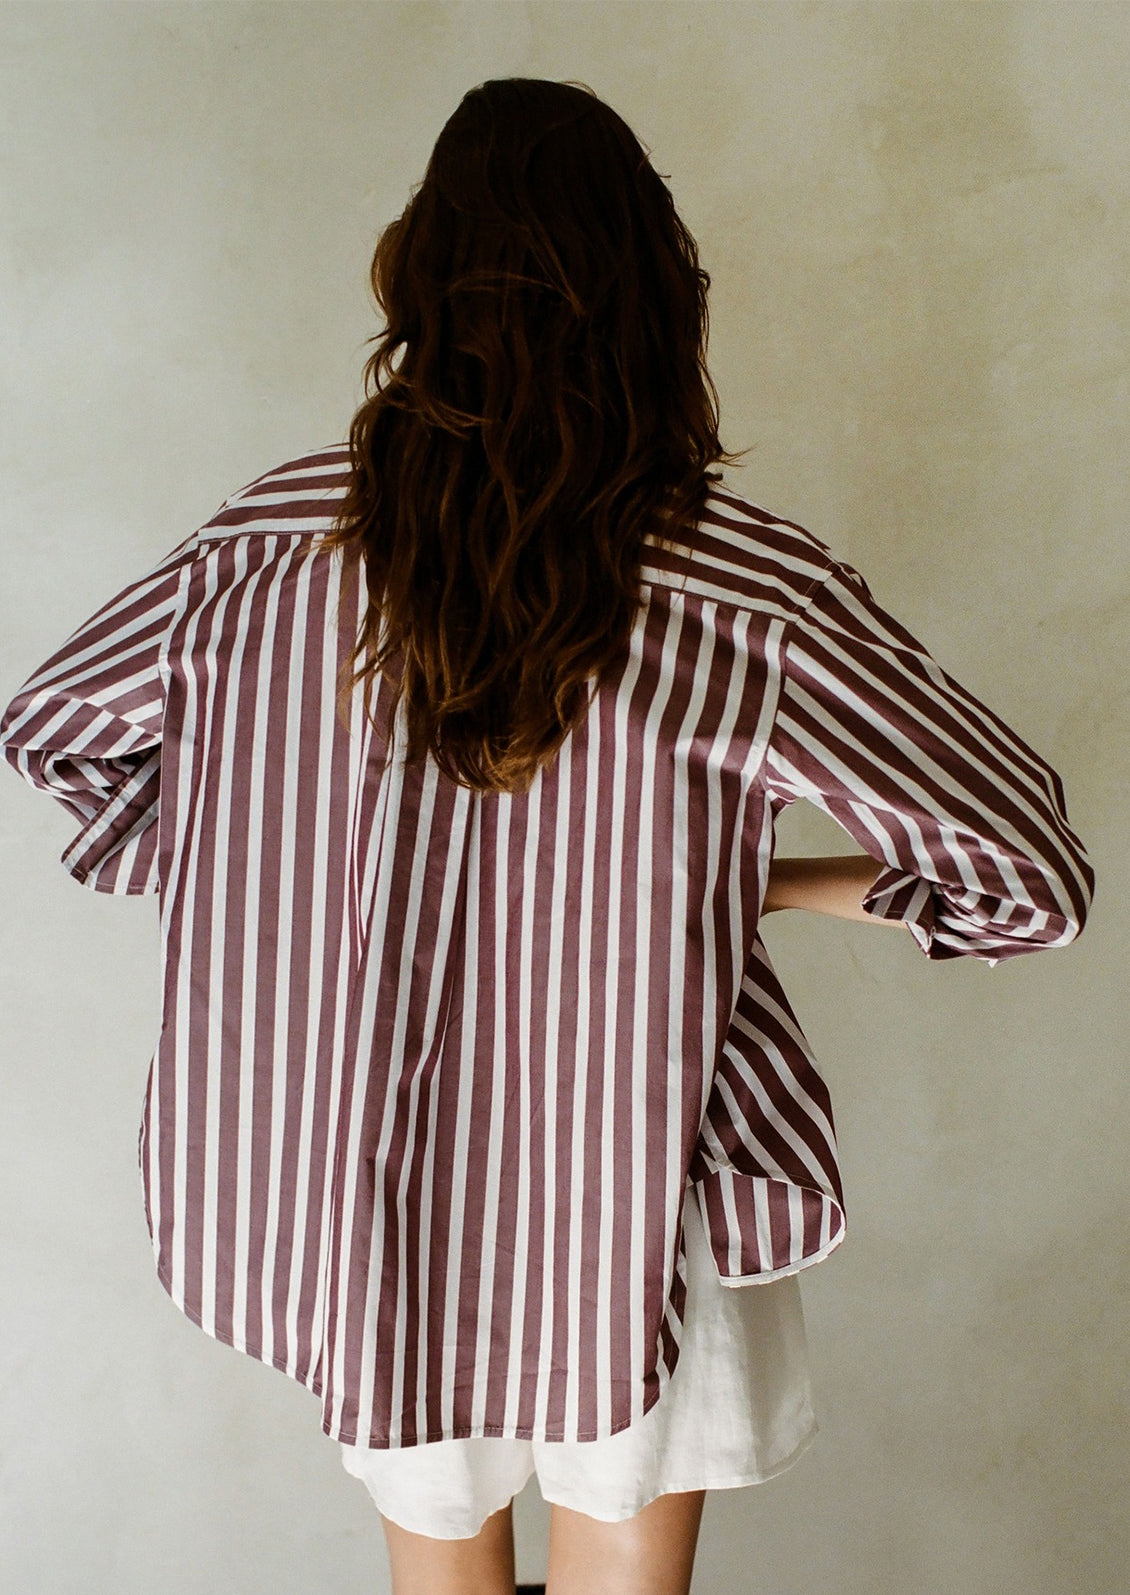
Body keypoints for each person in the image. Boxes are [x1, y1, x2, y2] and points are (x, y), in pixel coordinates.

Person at [0, 77, 1093, 1595]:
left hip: (360, 1197)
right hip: (637, 1199)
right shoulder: (741, 591)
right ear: (657, 294)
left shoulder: (264, 546)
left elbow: (52, 731)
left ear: (417, 279)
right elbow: (1023, 876)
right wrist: (754, 889)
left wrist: (280, 851)